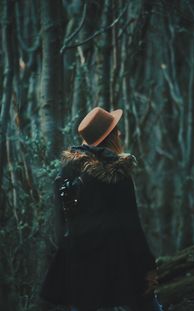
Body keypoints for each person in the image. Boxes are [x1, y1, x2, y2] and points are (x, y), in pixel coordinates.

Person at [39, 107, 163, 311]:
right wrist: (148, 268)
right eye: (116, 129)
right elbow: (131, 226)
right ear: (110, 137)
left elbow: (61, 229)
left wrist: (68, 271)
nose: (120, 133)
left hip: (78, 272)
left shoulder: (65, 173)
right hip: (117, 270)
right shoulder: (116, 172)